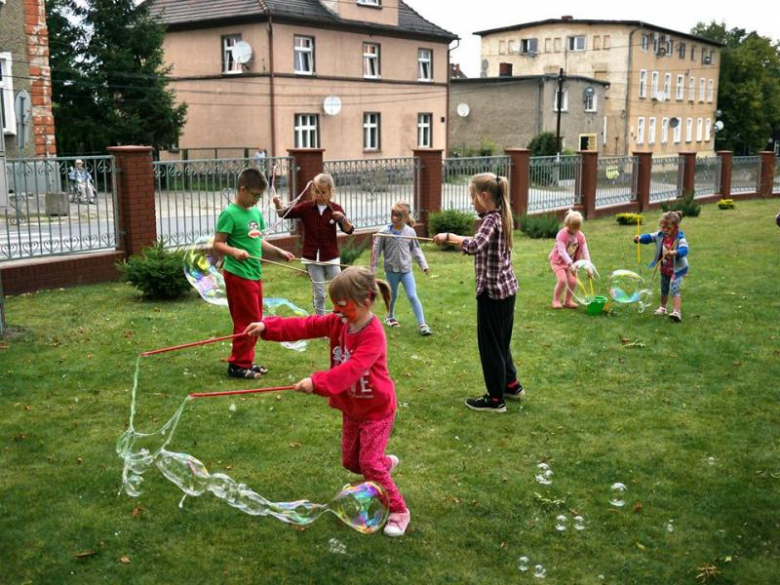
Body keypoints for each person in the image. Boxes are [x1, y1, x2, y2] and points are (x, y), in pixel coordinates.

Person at [244, 267, 410, 537]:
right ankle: (383, 464)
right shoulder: (338, 321)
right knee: (351, 461)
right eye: (335, 305)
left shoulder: (373, 334)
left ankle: (400, 510)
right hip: (351, 407)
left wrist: (317, 383)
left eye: (343, 305)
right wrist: (268, 326)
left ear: (366, 300)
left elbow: (353, 369)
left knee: (367, 463)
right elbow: (306, 325)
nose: (337, 311)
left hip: (376, 409)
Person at [432, 173, 523, 413]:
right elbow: (480, 243)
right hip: (506, 291)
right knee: (500, 341)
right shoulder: (499, 216)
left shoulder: (491, 220)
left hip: (492, 295)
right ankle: (510, 384)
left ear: (484, 196)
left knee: (490, 346)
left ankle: (495, 399)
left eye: (473, 197)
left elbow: (474, 245)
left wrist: (449, 238)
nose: (472, 202)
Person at [213, 168, 295, 379]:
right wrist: (234, 251)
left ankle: (246, 359)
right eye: (255, 195)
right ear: (242, 189)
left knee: (255, 318)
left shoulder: (255, 214)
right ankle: (238, 365)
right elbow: (218, 244)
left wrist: (278, 251)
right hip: (238, 274)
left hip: (253, 274)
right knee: (246, 320)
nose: (257, 201)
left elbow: (256, 240)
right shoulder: (229, 214)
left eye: (260, 196)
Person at [272, 173, 354, 315]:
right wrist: (278, 204)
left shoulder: (336, 209)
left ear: (331, 192)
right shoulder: (306, 208)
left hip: (331, 257)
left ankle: (340, 317)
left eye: (323, 192)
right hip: (311, 258)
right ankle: (320, 323)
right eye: (316, 191)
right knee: (320, 293)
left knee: (339, 289)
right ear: (311, 191)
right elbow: (284, 213)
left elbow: (349, 230)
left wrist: (342, 219)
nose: (319, 195)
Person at [370, 201, 432, 336]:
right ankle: (390, 316)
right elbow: (376, 252)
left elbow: (416, 250)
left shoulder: (410, 232)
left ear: (405, 217)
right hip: (391, 271)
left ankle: (422, 323)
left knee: (412, 295)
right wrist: (372, 271)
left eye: (398, 215)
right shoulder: (384, 232)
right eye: (393, 214)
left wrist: (424, 265)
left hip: (406, 271)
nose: (394, 217)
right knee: (392, 295)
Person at [634, 210, 689, 322]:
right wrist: (639, 238)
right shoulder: (660, 235)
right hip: (665, 268)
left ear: (675, 227)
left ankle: (676, 312)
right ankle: (663, 307)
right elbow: (650, 237)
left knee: (674, 288)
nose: (665, 230)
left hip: (678, 269)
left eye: (668, 228)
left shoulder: (679, 238)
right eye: (663, 227)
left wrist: (674, 253)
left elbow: (685, 250)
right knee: (664, 288)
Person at [548, 210, 592, 309]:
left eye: (578, 227)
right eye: (573, 227)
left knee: (573, 281)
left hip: (571, 264)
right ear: (567, 224)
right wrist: (570, 264)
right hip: (558, 262)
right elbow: (562, 251)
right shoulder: (562, 235)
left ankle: (568, 301)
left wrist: (588, 266)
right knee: (562, 280)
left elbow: (585, 250)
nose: (576, 230)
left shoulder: (580, 236)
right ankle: (556, 300)